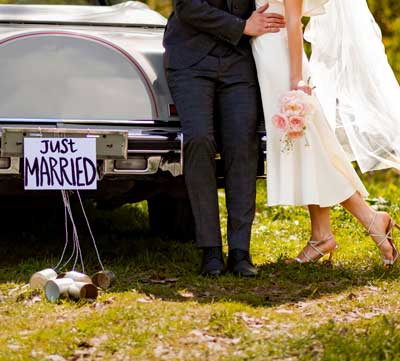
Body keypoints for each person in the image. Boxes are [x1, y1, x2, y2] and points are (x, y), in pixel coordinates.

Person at [251, 0, 400, 265]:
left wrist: (296, 79)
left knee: (312, 150)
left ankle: (370, 220)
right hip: (268, 57)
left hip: (282, 64)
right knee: (311, 151)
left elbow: (294, 19)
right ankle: (323, 234)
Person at [163, 0, 285, 276]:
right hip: (190, 59)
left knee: (243, 145)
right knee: (199, 140)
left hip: (239, 60)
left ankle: (241, 251)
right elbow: (188, 8)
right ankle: (210, 250)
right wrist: (242, 26)